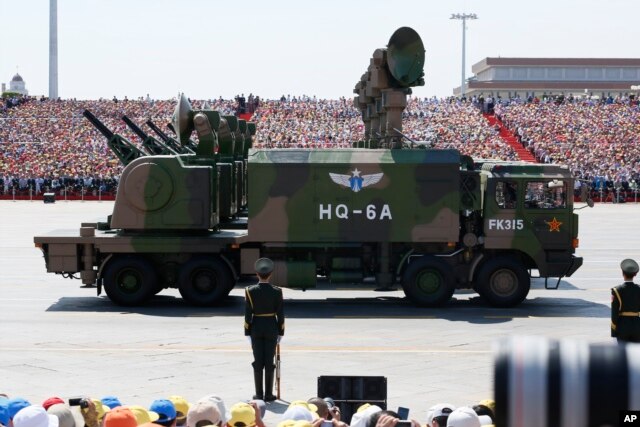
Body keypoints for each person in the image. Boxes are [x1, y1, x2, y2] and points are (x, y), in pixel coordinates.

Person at [244, 258, 285, 401]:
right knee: (269, 361)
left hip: (256, 327)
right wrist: (280, 332)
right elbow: (280, 314)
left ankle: (259, 394)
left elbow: (248, 314)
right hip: (271, 327)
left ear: (257, 274)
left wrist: (247, 332)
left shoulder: (250, 291)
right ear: (271, 274)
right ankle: (268, 394)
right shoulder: (277, 291)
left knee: (257, 361)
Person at [611, 258, 640, 343]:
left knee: (623, 354)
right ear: (635, 274)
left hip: (622, 326)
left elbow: (614, 313)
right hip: (637, 326)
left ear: (622, 273)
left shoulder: (617, 290)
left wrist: (613, 331)